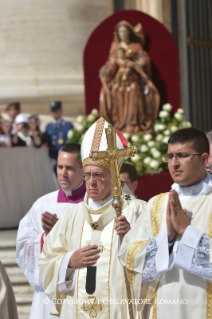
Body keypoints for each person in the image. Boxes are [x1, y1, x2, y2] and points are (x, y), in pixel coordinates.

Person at [38, 117, 147, 319]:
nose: (91, 183)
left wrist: (131, 240)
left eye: (99, 175)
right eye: (87, 176)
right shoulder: (72, 217)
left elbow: (157, 263)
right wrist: (70, 261)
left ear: (115, 175)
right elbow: (46, 261)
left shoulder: (137, 211)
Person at [119, 127, 212, 319]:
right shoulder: (156, 205)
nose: (174, 163)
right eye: (169, 157)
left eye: (182, 155)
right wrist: (167, 239)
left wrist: (186, 231)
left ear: (204, 159)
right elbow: (129, 256)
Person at [16, 143, 86, 319]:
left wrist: (60, 233)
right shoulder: (43, 204)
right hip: (46, 296)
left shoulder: (92, 204)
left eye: (69, 168)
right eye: (60, 167)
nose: (62, 173)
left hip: (79, 291)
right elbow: (23, 245)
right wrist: (45, 238)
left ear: (83, 169)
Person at [99, 21, 160, 133]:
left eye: (125, 31)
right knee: (117, 91)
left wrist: (140, 63)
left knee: (134, 92)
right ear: (117, 33)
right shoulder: (115, 47)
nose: (123, 34)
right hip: (119, 80)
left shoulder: (136, 46)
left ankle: (133, 124)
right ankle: (120, 124)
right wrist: (106, 71)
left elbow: (144, 58)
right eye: (120, 31)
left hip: (133, 78)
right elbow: (111, 63)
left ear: (129, 32)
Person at [45, 101, 74, 169]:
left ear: (61, 111)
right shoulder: (48, 127)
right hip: (51, 160)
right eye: (52, 111)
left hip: (64, 160)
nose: (54, 113)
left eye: (56, 110)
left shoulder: (68, 126)